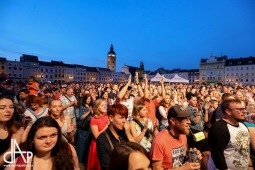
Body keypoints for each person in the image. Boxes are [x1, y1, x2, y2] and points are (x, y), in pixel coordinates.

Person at [6, 116, 79, 170]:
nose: (48, 141)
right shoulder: (18, 164)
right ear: (32, 139)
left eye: (53, 135)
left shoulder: (67, 150)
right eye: (42, 137)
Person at [151, 105, 202, 170]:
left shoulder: (183, 136)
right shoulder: (159, 141)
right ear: (173, 121)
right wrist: (182, 169)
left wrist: (192, 156)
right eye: (185, 119)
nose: (189, 122)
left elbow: (183, 158)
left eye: (188, 118)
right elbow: (156, 169)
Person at [208, 99, 252, 170]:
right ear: (228, 112)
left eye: (244, 109)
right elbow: (217, 154)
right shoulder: (219, 128)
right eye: (240, 109)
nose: (244, 111)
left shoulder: (243, 125)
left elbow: (246, 149)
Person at [97, 103, 135, 170]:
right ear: (111, 118)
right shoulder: (103, 139)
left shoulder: (125, 132)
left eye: (125, 118)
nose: (124, 121)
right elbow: (106, 166)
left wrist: (128, 133)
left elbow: (136, 149)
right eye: (121, 118)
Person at [0, 96, 29, 169]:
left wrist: (23, 142)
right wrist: (12, 149)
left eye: (11, 107)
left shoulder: (16, 127)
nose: (8, 110)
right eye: (2, 108)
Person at [186, 93, 210, 169]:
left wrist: (205, 110)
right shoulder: (188, 110)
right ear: (188, 101)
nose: (196, 102)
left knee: (204, 153)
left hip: (200, 132)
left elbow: (205, 120)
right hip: (194, 132)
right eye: (193, 100)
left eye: (196, 100)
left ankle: (202, 167)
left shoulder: (198, 108)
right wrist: (199, 111)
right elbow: (195, 121)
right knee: (204, 152)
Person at [87, 98, 109, 170]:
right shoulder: (94, 119)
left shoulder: (108, 116)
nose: (105, 106)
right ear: (97, 107)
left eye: (105, 105)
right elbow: (96, 136)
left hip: (108, 143)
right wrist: (106, 126)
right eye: (102, 105)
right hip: (98, 145)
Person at [76, 94, 93, 168]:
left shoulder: (91, 106)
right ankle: (81, 159)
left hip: (89, 127)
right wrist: (89, 112)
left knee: (87, 143)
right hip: (83, 128)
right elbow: (81, 117)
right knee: (82, 143)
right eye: (87, 99)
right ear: (85, 99)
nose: (89, 100)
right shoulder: (82, 107)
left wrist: (92, 111)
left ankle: (86, 158)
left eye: (90, 99)